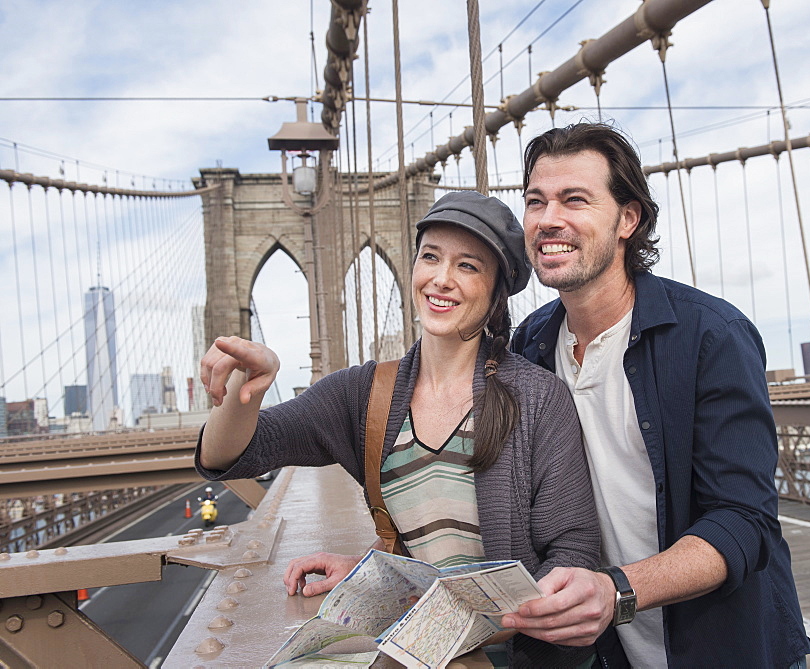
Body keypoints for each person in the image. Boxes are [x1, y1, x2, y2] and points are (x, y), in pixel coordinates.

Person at [196, 191, 600, 667]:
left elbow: (573, 547)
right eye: (430, 257)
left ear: (496, 293)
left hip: (511, 656)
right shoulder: (366, 395)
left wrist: (517, 621)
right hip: (423, 648)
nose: (441, 279)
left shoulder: (538, 399)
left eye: (468, 266)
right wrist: (248, 382)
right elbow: (232, 455)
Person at [502, 122, 810, 668]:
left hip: (726, 649)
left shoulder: (711, 337)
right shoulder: (528, 346)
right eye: (535, 201)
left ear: (629, 218)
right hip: (605, 654)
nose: (548, 219)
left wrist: (617, 591)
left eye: (574, 199)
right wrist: (387, 569)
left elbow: (745, 520)